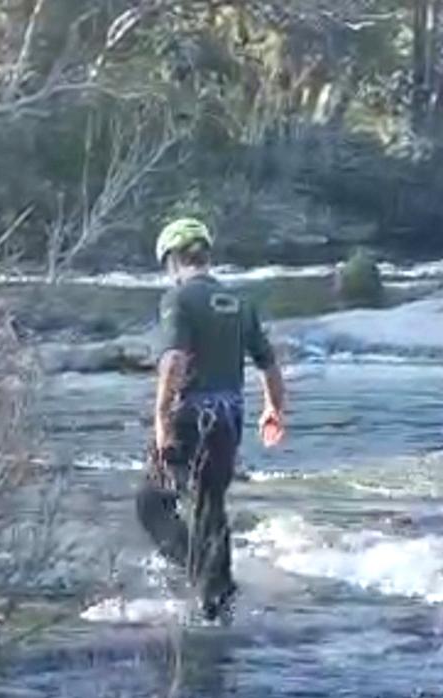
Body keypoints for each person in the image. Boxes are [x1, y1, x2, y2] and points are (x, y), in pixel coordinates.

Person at [136, 217, 287, 622]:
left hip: (191, 416)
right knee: (210, 505)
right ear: (205, 254)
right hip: (230, 418)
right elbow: (269, 364)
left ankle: (203, 580)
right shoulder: (240, 303)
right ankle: (219, 592)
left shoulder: (178, 300)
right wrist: (274, 409)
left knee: (152, 504)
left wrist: (161, 420)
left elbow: (173, 360)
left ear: (171, 260)